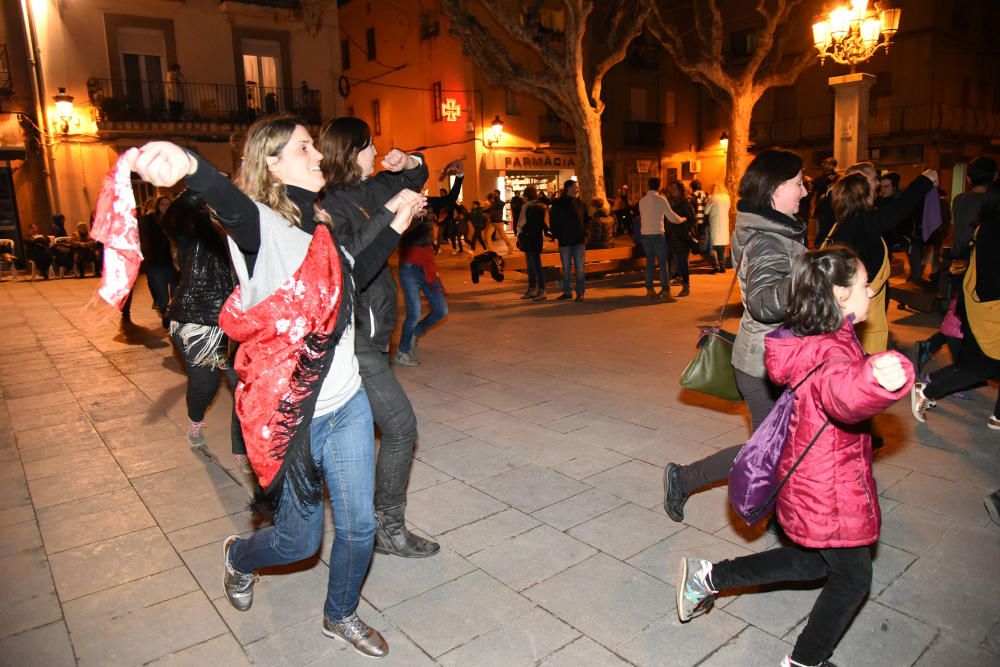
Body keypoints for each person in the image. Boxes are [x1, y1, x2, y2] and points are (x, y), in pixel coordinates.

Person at [127, 115, 425, 658]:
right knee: (300, 541)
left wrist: (397, 222)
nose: (317, 156)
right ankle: (240, 556)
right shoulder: (261, 226)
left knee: (357, 530)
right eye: (304, 147)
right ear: (270, 162)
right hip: (293, 416)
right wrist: (190, 164)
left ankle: (341, 615)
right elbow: (227, 199)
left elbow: (351, 277)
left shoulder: (321, 222)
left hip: (348, 401)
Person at [676, 246, 914, 667]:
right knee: (853, 578)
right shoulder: (833, 352)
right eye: (864, 285)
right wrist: (876, 382)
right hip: (828, 487)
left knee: (812, 564)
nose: (870, 291)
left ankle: (707, 577)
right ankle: (805, 662)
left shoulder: (819, 334)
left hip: (812, 476)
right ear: (841, 295)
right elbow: (842, 395)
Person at [319, 116, 442, 561]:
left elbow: (415, 175)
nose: (378, 153)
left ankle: (363, 523)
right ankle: (385, 528)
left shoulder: (366, 191)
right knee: (400, 428)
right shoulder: (329, 205)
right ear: (353, 152)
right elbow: (355, 264)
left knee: (354, 434)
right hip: (352, 342)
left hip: (374, 336)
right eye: (372, 146)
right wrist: (395, 216)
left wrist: (406, 161)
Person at [663, 149, 808, 522]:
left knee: (780, 447)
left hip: (773, 358)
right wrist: (816, 281)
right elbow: (763, 302)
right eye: (798, 183)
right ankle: (684, 479)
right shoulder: (769, 241)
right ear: (775, 189)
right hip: (764, 365)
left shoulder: (771, 232)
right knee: (768, 451)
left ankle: (778, 510)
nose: (805, 191)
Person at [158, 190, 247, 467]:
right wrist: (199, 187)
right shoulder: (192, 227)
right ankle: (195, 419)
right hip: (198, 319)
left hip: (237, 317)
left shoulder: (235, 222)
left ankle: (242, 449)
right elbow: (170, 220)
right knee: (205, 385)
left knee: (243, 386)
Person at [912, 180, 1000, 431]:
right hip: (992, 310)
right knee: (982, 366)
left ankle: (998, 417)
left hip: (979, 306)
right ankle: (928, 390)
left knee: (979, 364)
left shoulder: (985, 227)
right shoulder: (994, 230)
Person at [827, 165, 937, 353]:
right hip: (859, 305)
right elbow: (901, 207)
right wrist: (924, 181)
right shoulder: (864, 221)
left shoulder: (843, 223)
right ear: (863, 196)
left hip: (853, 303)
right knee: (861, 353)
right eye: (872, 189)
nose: (876, 193)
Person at [394, 166, 462, 366]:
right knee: (414, 312)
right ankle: (402, 351)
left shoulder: (429, 201)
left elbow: (450, 199)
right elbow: (398, 232)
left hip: (428, 264)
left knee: (441, 311)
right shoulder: (399, 205)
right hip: (409, 266)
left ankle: (414, 334)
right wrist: (414, 217)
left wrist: (459, 176)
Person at [638, 177, 683, 300]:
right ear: (659, 186)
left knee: (650, 264)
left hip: (645, 235)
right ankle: (665, 291)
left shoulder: (642, 201)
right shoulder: (661, 200)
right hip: (658, 234)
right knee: (663, 264)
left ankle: (650, 290)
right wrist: (682, 219)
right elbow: (672, 217)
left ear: (648, 185)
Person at [139, 194, 179, 324]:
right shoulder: (149, 220)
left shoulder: (176, 220)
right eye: (163, 204)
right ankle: (165, 316)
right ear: (157, 206)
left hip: (174, 264)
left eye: (168, 204)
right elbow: (144, 239)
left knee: (176, 296)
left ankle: (174, 319)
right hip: (156, 263)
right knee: (162, 297)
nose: (165, 207)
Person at [549, 179, 587, 301]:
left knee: (580, 268)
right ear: (568, 188)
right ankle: (567, 292)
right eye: (574, 187)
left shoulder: (581, 203)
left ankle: (580, 293)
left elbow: (586, 220)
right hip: (565, 241)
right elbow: (553, 221)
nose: (577, 189)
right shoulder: (558, 203)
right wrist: (558, 235)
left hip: (579, 241)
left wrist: (585, 234)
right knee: (566, 268)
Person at [517, 185, 549, 300]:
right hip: (537, 238)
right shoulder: (542, 206)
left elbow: (521, 224)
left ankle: (533, 289)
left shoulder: (526, 207)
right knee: (537, 265)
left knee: (531, 266)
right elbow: (546, 224)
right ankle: (541, 290)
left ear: (526, 196)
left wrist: (519, 236)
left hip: (527, 238)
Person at [666, 180, 694, 296]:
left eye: (675, 189)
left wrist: (683, 225)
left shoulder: (685, 203)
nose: (672, 191)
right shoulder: (669, 202)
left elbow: (692, 220)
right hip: (671, 237)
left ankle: (686, 286)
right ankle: (675, 281)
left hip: (682, 238)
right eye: (671, 189)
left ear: (681, 190)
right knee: (674, 262)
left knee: (682, 262)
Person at [704, 183, 731, 273]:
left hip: (714, 224)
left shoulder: (712, 197)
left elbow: (706, 211)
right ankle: (723, 266)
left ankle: (715, 266)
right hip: (724, 224)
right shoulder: (727, 197)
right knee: (721, 247)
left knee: (713, 247)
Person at [487, 189, 514, 253]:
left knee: (503, 236)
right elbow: (489, 210)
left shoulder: (499, 203)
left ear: (498, 194)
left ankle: (510, 246)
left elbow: (498, 206)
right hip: (493, 222)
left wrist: (495, 198)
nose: (493, 194)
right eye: (493, 193)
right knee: (488, 235)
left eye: (495, 193)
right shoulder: (493, 203)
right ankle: (490, 250)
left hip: (498, 222)